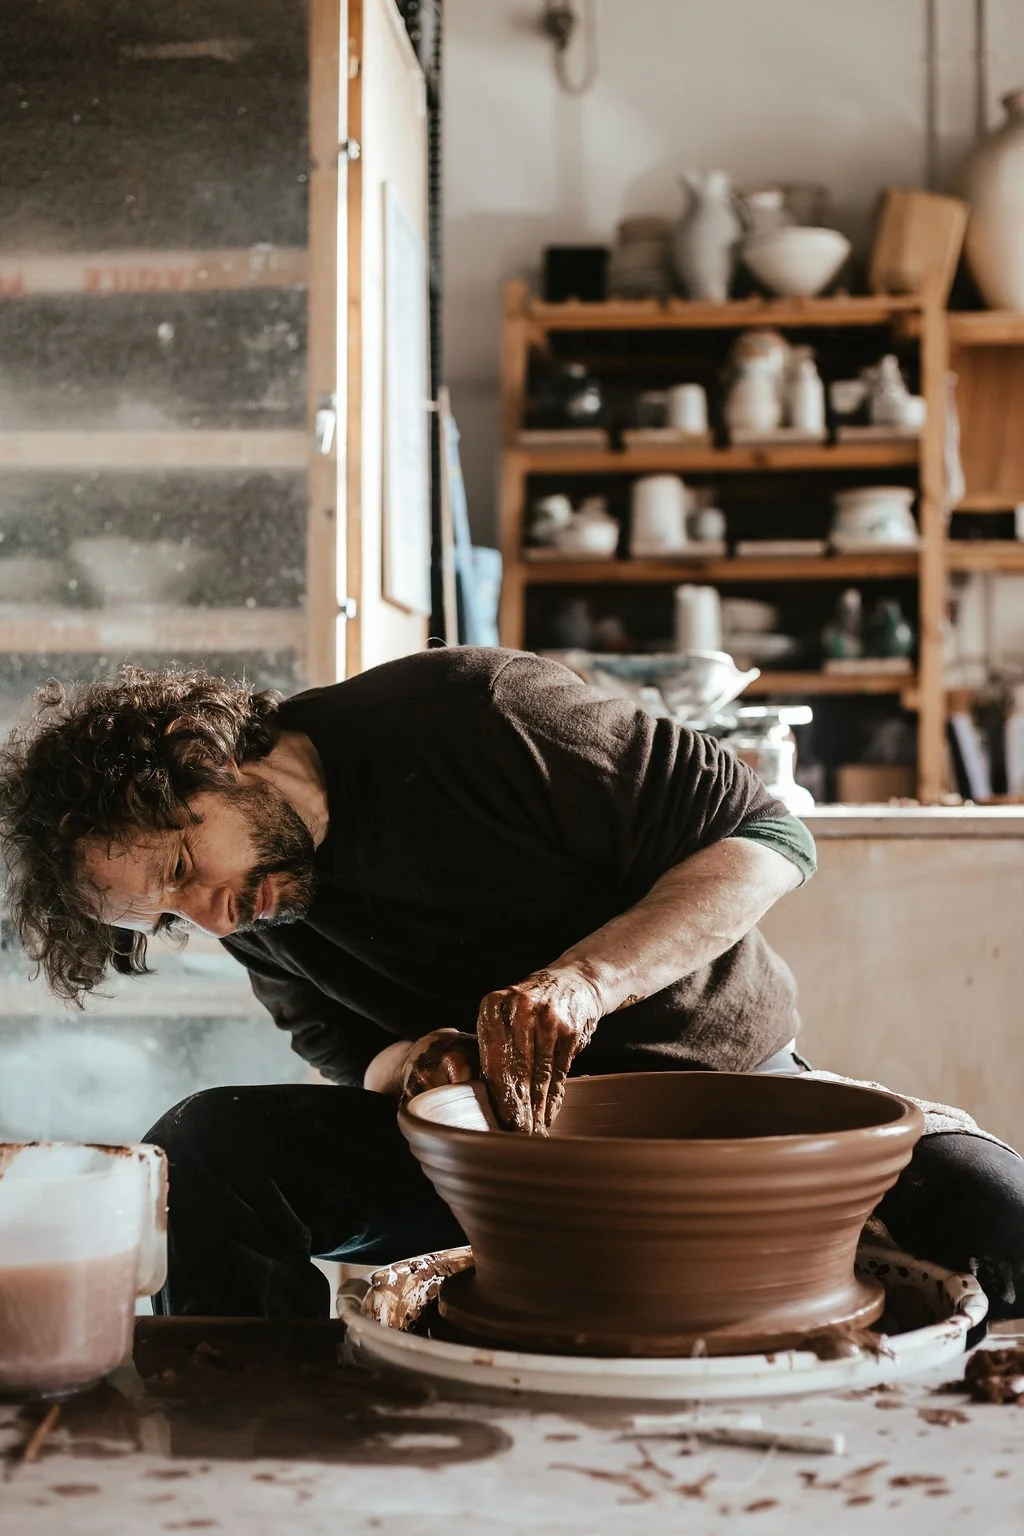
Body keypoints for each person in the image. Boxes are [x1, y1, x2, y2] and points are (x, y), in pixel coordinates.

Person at [1, 646, 1022, 1322]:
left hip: (710, 1114)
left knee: (992, 1204)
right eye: (171, 920)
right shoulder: (260, 902)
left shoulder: (471, 716)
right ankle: (259, 1437)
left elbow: (767, 837)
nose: (211, 918)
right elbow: (345, 1052)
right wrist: (414, 1066)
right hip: (493, 1163)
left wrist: (585, 982)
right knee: (205, 1146)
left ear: (205, 759)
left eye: (184, 871)